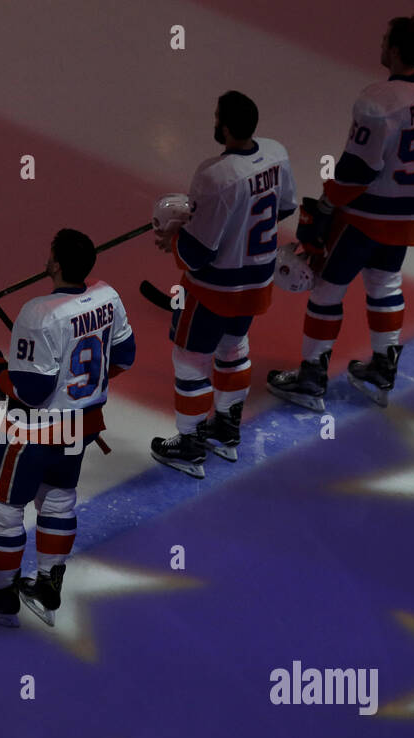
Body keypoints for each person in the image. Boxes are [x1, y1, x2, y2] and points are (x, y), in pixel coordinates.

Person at [268, 15, 414, 410]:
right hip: (409, 213)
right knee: (384, 284)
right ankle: (383, 370)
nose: (381, 45)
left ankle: (312, 378)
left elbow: (358, 170)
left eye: (385, 40)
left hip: (364, 216)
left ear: (396, 50)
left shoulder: (376, 101)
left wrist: (329, 202)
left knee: (325, 289)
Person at [0, 229, 135, 626]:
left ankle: (3, 598)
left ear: (55, 263)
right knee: (57, 496)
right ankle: (49, 582)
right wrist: (78, 387)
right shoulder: (108, 297)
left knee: (2, 507)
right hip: (82, 426)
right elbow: (125, 355)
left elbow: (32, 391)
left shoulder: (38, 313)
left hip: (33, 431)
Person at [151, 90, 297, 478]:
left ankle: (190, 443)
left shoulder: (215, 174)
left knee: (189, 358)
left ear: (226, 126)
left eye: (217, 117)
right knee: (233, 349)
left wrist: (174, 238)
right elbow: (285, 207)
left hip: (214, 288)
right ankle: (227, 431)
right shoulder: (277, 153)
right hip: (257, 279)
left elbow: (198, 252)